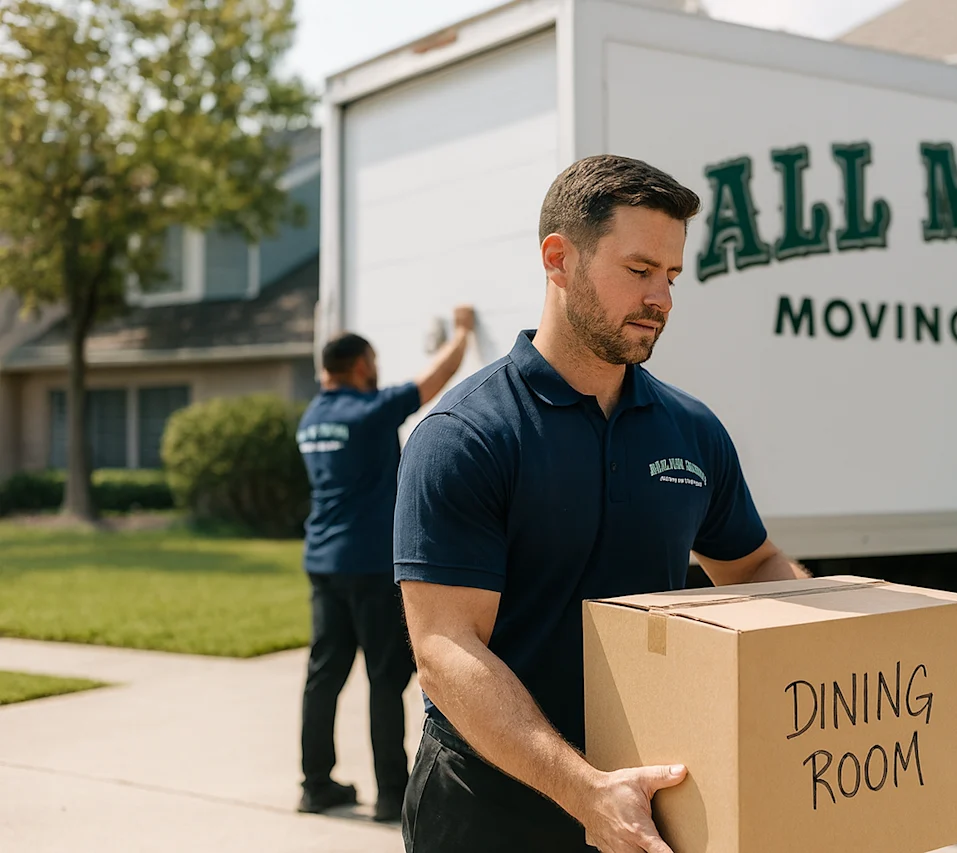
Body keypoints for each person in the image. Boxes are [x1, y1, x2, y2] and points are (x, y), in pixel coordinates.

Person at [391, 154, 809, 852]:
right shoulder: (466, 436)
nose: (662, 299)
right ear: (559, 260)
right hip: (491, 804)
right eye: (640, 270)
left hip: (648, 797)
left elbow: (754, 562)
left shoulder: (691, 429)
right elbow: (444, 647)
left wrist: (829, 643)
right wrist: (586, 790)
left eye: (672, 277)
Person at [295, 305, 475, 822]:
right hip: (370, 565)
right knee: (384, 678)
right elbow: (434, 379)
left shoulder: (312, 420)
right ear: (357, 366)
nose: (376, 369)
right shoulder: (369, 411)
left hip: (323, 563)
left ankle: (315, 784)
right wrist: (461, 333)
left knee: (323, 676)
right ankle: (391, 796)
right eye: (371, 361)